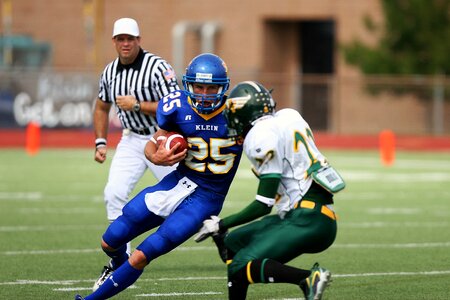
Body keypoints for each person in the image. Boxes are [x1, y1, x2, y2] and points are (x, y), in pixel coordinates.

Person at [75, 53, 243, 300]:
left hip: (207, 197)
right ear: (189, 84)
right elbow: (151, 146)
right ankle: (119, 268)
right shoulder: (176, 105)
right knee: (110, 241)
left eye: (211, 88)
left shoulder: (239, 114)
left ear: (223, 87)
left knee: (143, 253)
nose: (205, 93)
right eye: (199, 86)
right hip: (178, 182)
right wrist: (157, 158)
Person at [195, 81, 346, 300]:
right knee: (233, 244)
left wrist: (221, 223)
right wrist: (221, 234)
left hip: (308, 218)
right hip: (308, 213)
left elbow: (263, 204)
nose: (232, 120)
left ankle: (306, 279)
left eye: (234, 114)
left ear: (244, 112)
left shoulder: (260, 134)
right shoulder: (289, 116)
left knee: (238, 267)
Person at [92, 17, 179, 288]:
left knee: (187, 197)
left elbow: (176, 104)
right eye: (121, 39)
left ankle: (220, 235)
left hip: (161, 137)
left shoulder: (157, 67)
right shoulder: (109, 72)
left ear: (139, 40)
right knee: (113, 193)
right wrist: (100, 141)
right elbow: (101, 107)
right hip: (130, 140)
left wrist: (138, 104)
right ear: (115, 42)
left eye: (130, 38)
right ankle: (119, 261)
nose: (126, 43)